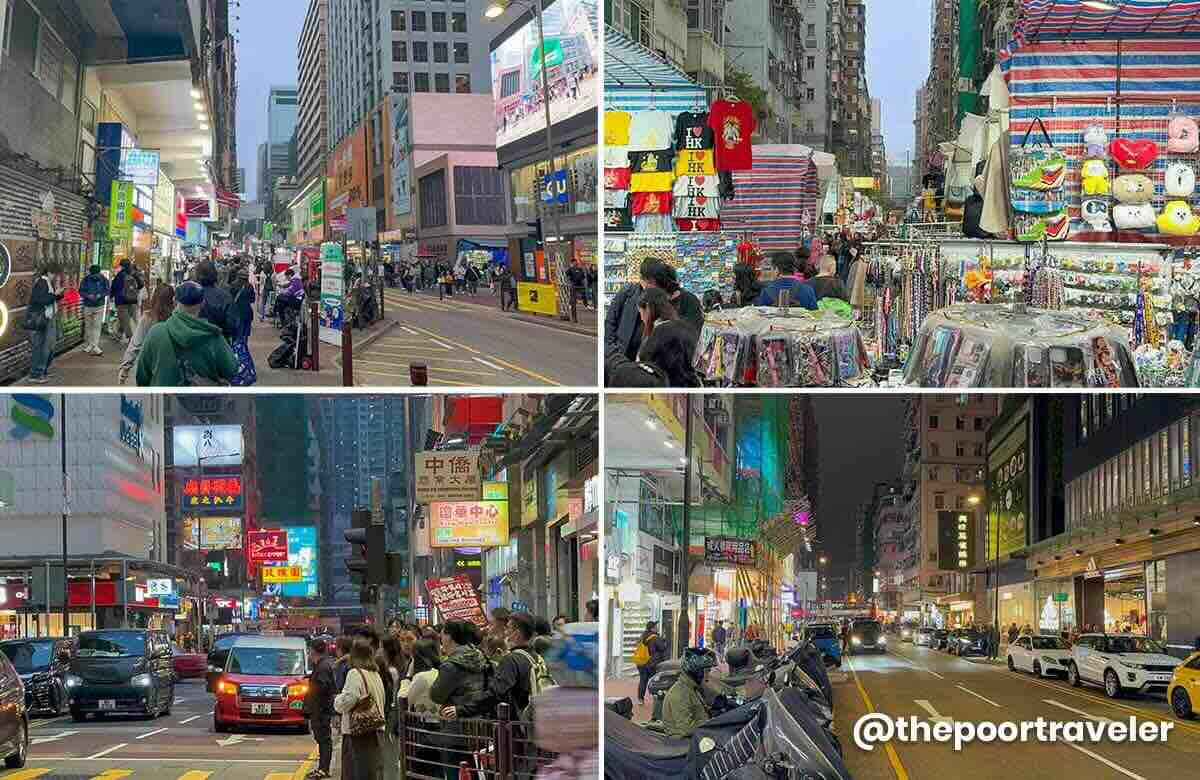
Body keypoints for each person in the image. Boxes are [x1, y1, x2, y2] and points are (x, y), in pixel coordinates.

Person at [134, 282, 238, 387]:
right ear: (202, 304)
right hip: (201, 401)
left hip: (164, 400)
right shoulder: (213, 337)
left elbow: (142, 375)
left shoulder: (156, 332)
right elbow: (231, 370)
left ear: (174, 301)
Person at [608, 287, 701, 387]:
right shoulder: (680, 326)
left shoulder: (659, 332)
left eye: (641, 314)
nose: (642, 319)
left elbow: (647, 363)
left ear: (647, 308)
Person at [333, 638, 386, 780]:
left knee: (356, 772)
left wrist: (336, 701)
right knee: (372, 772)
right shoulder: (376, 675)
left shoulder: (355, 674)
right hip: (375, 729)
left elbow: (348, 700)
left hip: (357, 733)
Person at [120, 283, 175, 385]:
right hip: (172, 370)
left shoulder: (148, 318)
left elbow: (135, 344)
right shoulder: (176, 318)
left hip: (149, 368)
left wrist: (125, 368)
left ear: (154, 297)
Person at [662, 648, 715, 739]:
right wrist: (711, 723)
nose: (708, 676)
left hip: (696, 737)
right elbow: (685, 729)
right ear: (696, 672)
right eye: (707, 671)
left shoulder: (692, 688)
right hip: (683, 745)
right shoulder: (680, 694)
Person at [25, 267, 65, 383]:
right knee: (42, 347)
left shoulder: (47, 282)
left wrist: (59, 295)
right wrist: (55, 294)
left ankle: (42, 371)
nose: (56, 277)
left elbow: (49, 299)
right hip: (42, 319)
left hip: (48, 318)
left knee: (48, 346)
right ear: (49, 272)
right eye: (55, 274)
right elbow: (40, 300)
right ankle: (36, 374)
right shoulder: (42, 282)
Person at [305, 638, 337, 780]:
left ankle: (324, 769)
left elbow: (323, 689)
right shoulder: (321, 665)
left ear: (313, 650)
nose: (308, 653)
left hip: (321, 710)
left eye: (309, 650)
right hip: (318, 710)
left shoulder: (323, 667)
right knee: (322, 739)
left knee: (324, 739)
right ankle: (322, 768)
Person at [227, 269, 257, 386]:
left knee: (236, 339)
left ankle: (236, 362)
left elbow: (229, 300)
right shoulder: (249, 287)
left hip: (236, 315)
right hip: (247, 315)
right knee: (244, 340)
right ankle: (245, 363)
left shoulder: (232, 286)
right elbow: (252, 300)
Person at [633, 620, 667, 706]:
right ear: (652, 628)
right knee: (658, 679)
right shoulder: (654, 637)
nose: (657, 628)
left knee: (643, 680)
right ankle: (658, 698)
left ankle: (640, 699)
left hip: (641, 662)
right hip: (651, 663)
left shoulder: (642, 636)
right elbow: (662, 648)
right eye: (656, 627)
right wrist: (663, 640)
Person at [79, 264, 110, 356]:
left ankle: (92, 345)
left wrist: (91, 295)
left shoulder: (86, 279)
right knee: (95, 326)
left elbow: (81, 291)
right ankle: (93, 345)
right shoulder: (103, 279)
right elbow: (107, 290)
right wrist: (97, 295)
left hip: (91, 305)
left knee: (91, 325)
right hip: (96, 305)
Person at [110, 258, 140, 342]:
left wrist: (111, 295)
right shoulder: (134, 273)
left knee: (124, 319)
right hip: (133, 299)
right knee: (124, 318)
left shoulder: (120, 274)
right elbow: (141, 285)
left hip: (121, 300)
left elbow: (115, 286)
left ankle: (131, 337)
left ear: (122, 266)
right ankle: (119, 334)